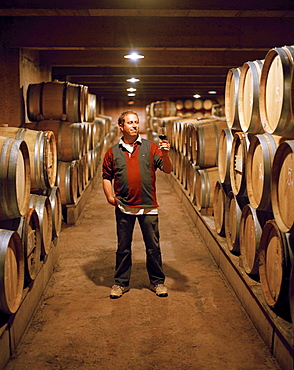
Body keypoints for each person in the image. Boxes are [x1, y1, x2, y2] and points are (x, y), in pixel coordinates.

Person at [102, 110, 172, 299]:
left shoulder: (151, 147)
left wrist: (165, 155)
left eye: (136, 122)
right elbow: (106, 177)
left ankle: (158, 282)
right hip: (124, 207)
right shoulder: (113, 152)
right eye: (130, 122)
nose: (134, 125)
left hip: (148, 206)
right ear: (121, 127)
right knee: (123, 247)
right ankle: (120, 283)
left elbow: (167, 170)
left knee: (153, 247)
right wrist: (110, 196)